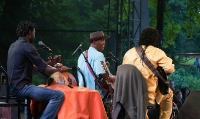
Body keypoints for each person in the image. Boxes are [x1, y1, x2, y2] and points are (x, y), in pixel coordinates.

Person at [7, 21, 70, 119]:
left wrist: (51, 62)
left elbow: (35, 67)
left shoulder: (14, 45)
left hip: (13, 88)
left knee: (47, 93)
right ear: (29, 33)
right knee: (58, 95)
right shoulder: (27, 46)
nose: (34, 35)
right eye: (34, 33)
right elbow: (44, 69)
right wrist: (60, 70)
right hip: (22, 88)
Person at [122, 27, 175, 119]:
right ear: (155, 40)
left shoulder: (128, 53)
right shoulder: (157, 52)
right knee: (169, 94)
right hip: (149, 95)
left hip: (129, 94)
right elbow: (169, 69)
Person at [77, 31, 115, 99]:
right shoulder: (99, 55)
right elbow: (102, 74)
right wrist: (114, 78)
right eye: (101, 40)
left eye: (104, 40)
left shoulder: (82, 54)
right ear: (94, 41)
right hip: (95, 92)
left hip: (82, 90)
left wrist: (105, 66)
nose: (104, 42)